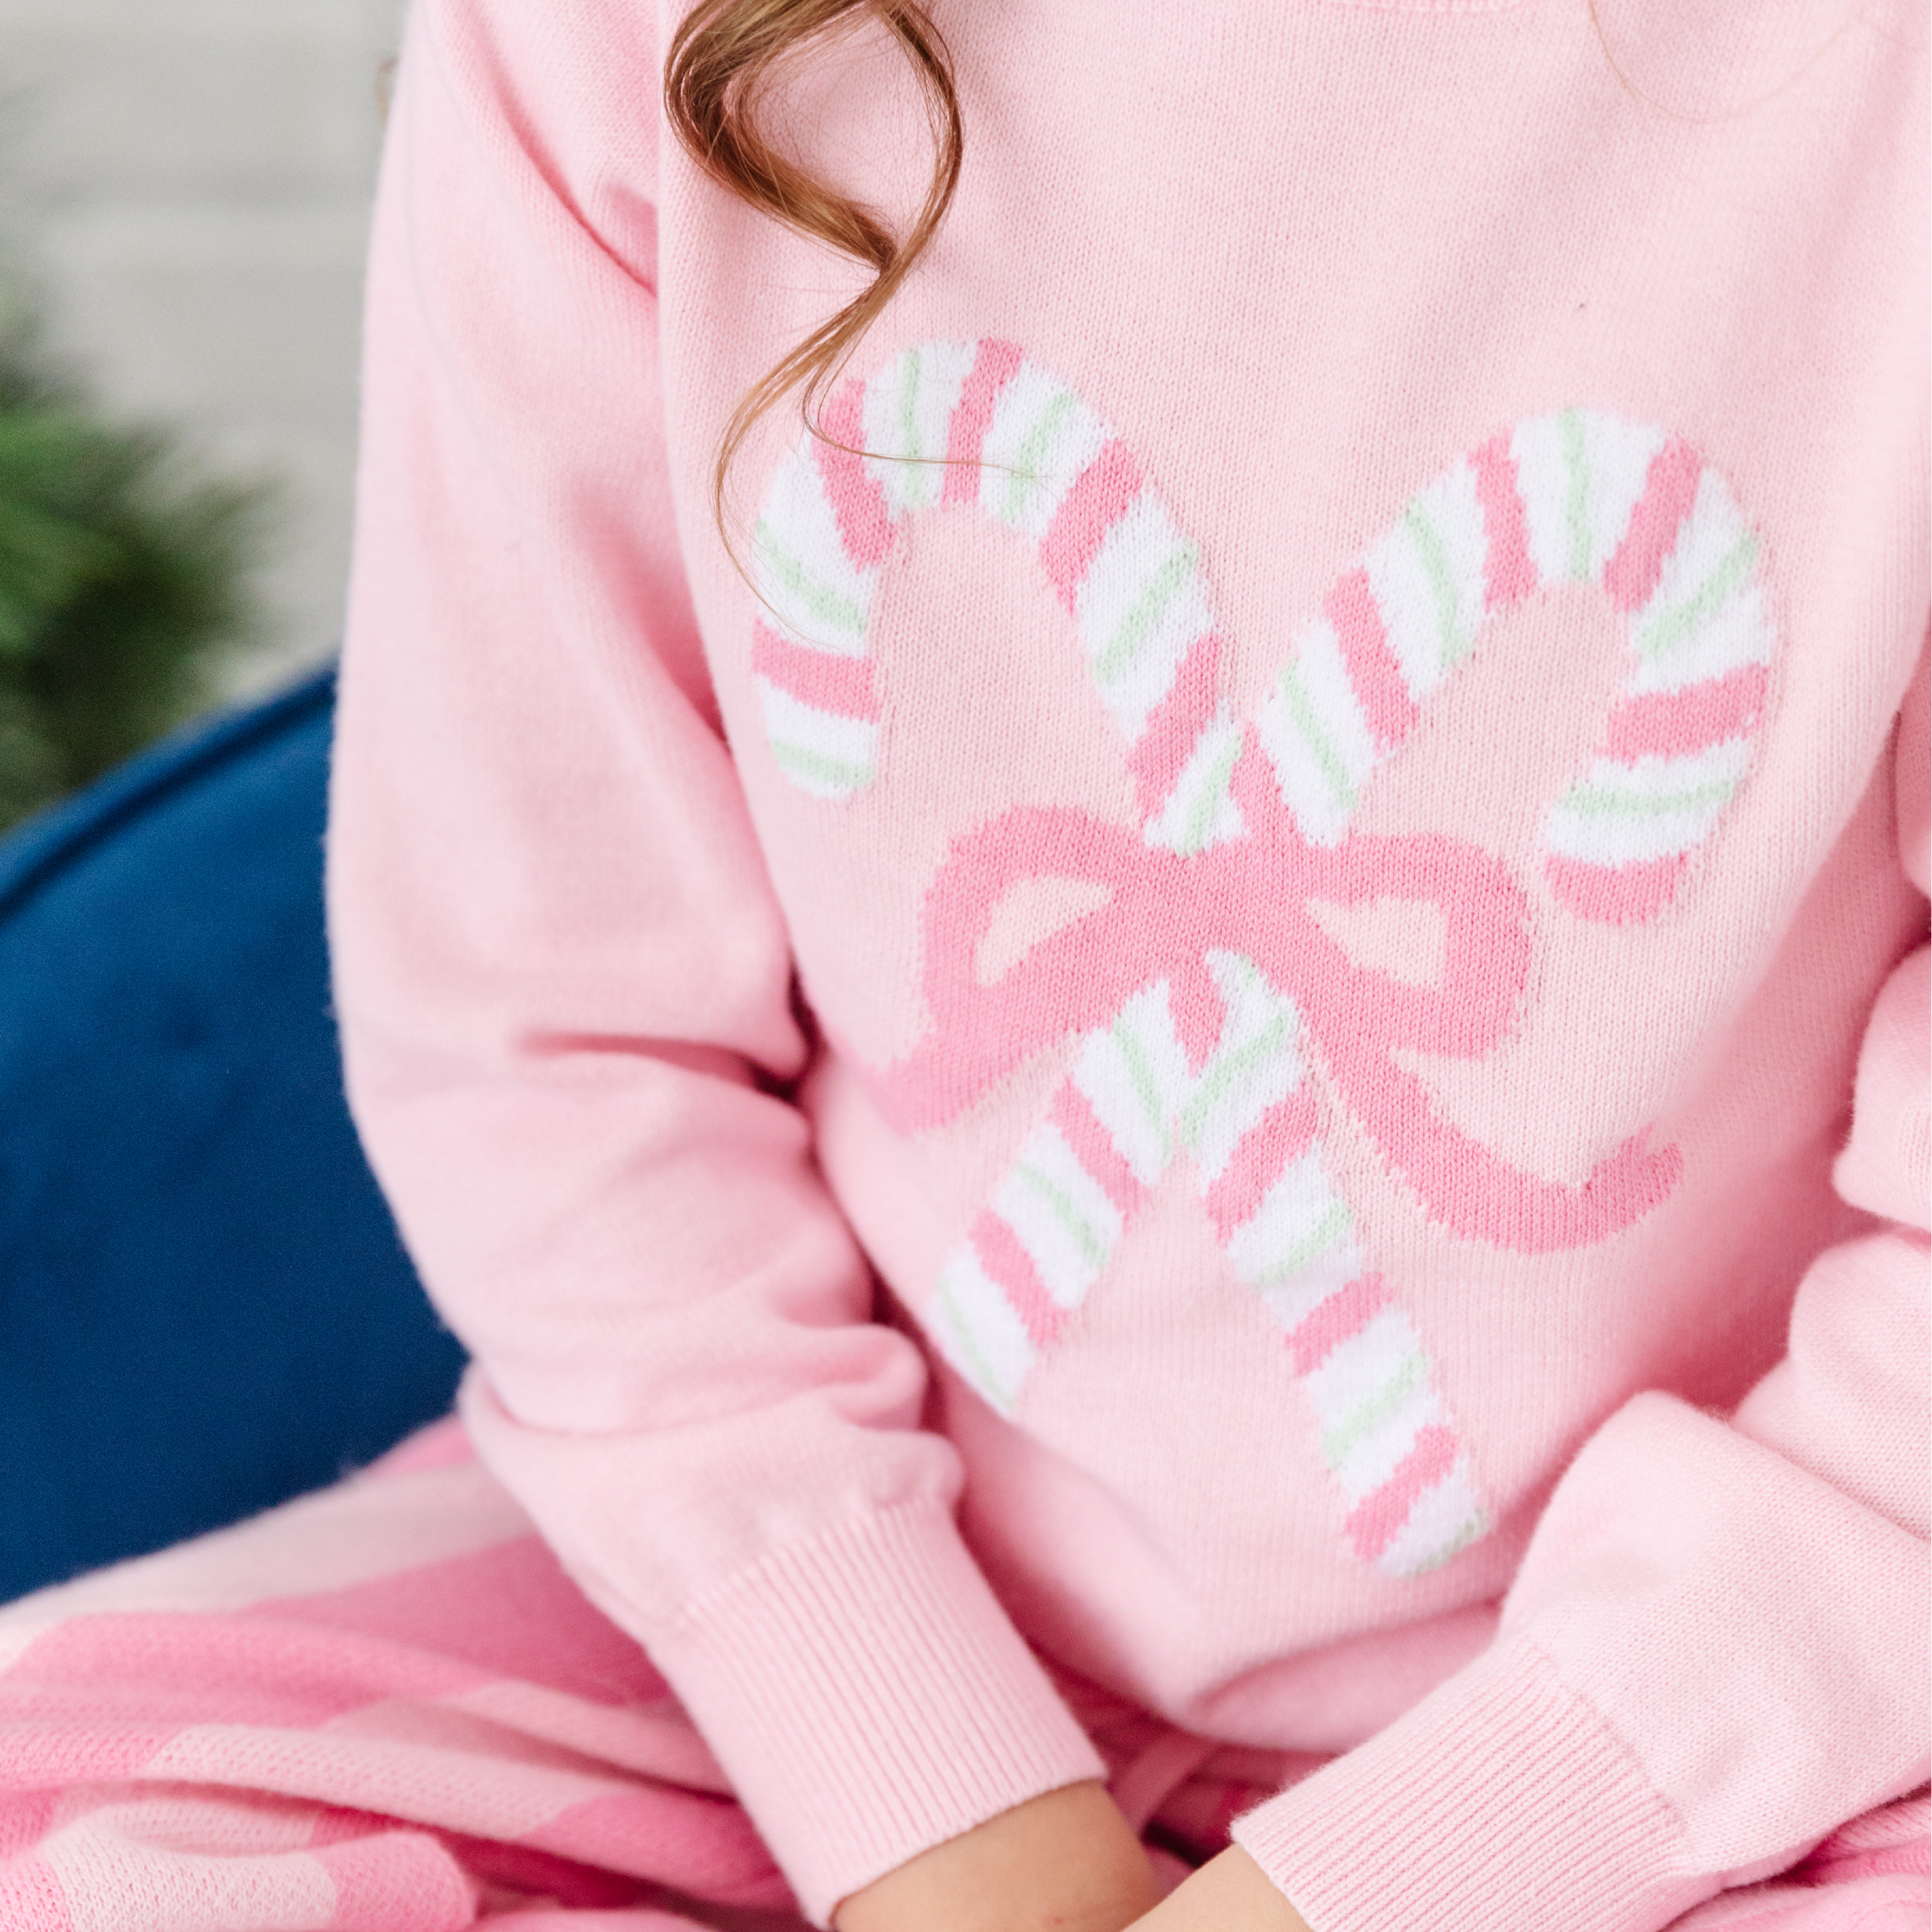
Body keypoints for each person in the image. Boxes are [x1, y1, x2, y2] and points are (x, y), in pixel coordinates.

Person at [2, 2, 1925, 1929]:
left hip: (1762, 1693)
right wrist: (932, 1805)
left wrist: (1450, 1853)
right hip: (823, 1609)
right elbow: (549, 1016)